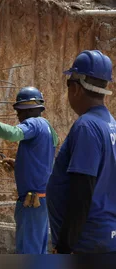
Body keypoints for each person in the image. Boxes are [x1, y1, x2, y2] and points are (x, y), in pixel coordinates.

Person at [0, 87, 58, 254]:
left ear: (31, 109)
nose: (18, 116)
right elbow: (44, 162)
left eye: (20, 111)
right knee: (39, 250)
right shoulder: (47, 127)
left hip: (32, 202)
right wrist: (18, 165)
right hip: (43, 200)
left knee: (28, 251)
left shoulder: (33, 123)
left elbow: (13, 134)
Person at [46, 50, 116, 254]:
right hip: (105, 238)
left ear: (76, 88)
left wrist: (65, 246)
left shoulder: (87, 127)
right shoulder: (111, 125)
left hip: (87, 244)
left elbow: (82, 191)